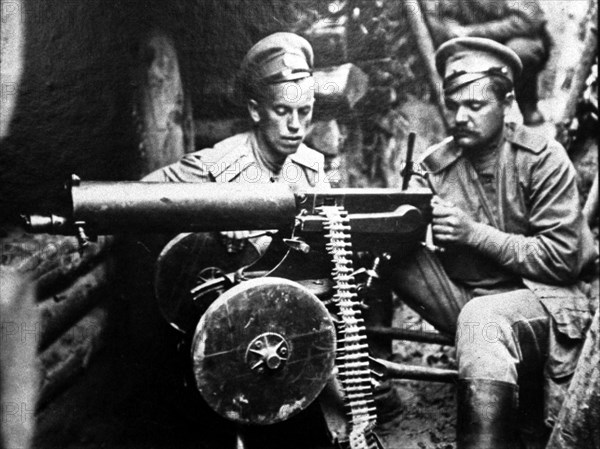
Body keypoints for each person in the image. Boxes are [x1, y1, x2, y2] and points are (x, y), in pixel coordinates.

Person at [391, 37, 597, 448]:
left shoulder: (541, 157)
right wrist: (398, 217)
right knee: (379, 251)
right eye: (454, 106)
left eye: (475, 106)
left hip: (545, 300)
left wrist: (473, 234)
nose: (460, 117)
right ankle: (378, 395)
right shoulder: (436, 165)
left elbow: (562, 260)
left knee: (483, 321)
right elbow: (395, 231)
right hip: (469, 297)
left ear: (506, 105)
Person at [424, 0, 551, 126]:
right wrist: (453, 30)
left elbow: (527, 21)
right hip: (476, 43)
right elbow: (447, 16)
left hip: (517, 39)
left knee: (520, 52)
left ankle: (527, 104)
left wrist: (471, 32)